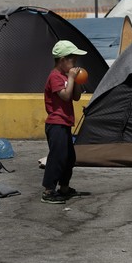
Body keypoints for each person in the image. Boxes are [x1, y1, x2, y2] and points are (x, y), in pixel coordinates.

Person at [41, 40, 86, 204]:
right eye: (72, 60)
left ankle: (64, 187)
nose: (75, 63)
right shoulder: (55, 77)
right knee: (57, 156)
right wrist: (71, 78)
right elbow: (65, 96)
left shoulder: (67, 77)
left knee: (69, 157)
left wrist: (77, 81)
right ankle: (48, 190)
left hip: (66, 122)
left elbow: (75, 96)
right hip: (56, 123)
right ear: (62, 60)